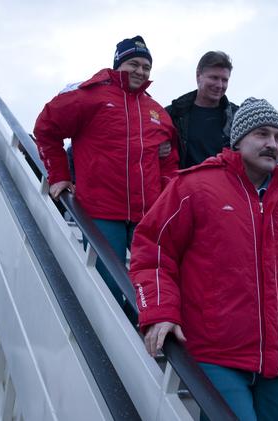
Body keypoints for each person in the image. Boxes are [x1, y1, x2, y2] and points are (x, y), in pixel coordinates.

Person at [130, 98, 278, 420]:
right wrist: (160, 311)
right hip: (217, 356)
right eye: (262, 134)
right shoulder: (194, 186)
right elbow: (153, 252)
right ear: (239, 139)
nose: (272, 144)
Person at [34, 35, 178, 313]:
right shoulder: (89, 97)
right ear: (118, 64)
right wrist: (59, 175)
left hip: (147, 215)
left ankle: (141, 333)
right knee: (109, 288)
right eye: (134, 64)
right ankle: (113, 337)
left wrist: (165, 197)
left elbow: (169, 161)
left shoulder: (156, 111)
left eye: (146, 67)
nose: (140, 71)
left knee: (151, 286)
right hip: (102, 213)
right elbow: (45, 128)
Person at [166, 51, 238, 168]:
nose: (219, 85)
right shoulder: (173, 114)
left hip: (225, 179)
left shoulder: (237, 117)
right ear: (198, 76)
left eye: (224, 80)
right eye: (214, 78)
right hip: (184, 179)